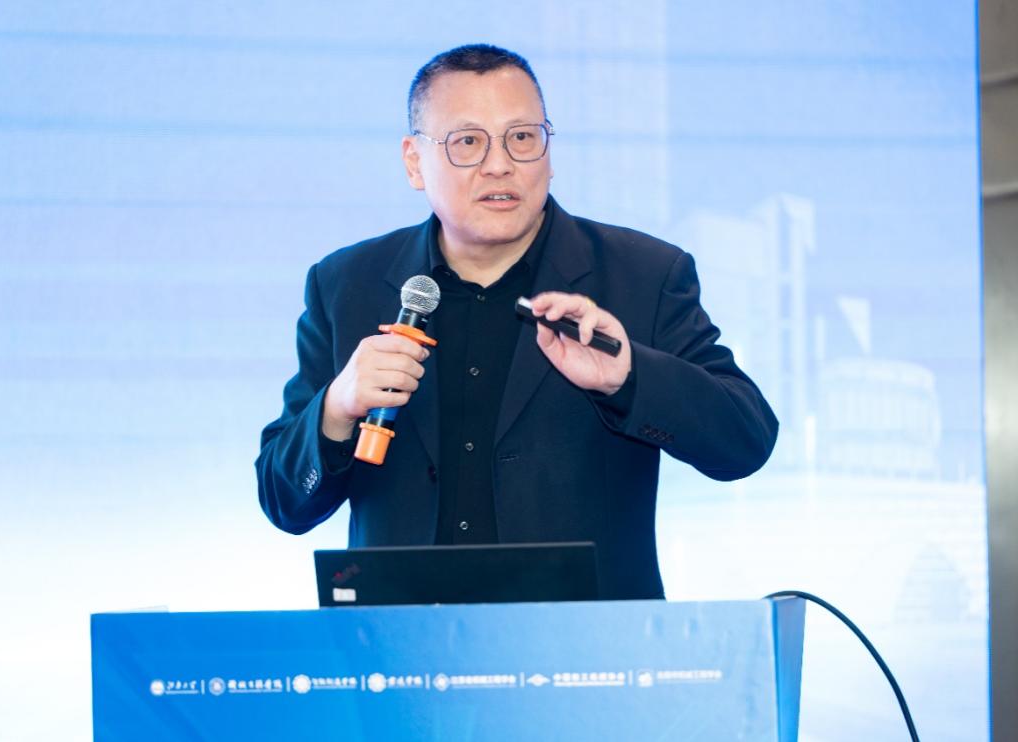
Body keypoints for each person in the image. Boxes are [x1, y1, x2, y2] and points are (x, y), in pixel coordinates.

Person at [256, 44, 778, 600]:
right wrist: (337, 408)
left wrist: (629, 378)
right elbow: (284, 502)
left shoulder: (642, 275)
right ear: (414, 162)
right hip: (401, 642)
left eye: (522, 137)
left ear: (549, 153)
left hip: (587, 641)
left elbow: (744, 441)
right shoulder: (347, 284)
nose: (500, 164)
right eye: (468, 142)